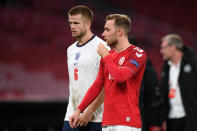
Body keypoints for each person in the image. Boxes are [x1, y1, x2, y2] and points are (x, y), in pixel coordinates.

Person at [69, 14, 147, 131]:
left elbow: (120, 77)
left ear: (119, 32)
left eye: (107, 29)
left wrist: (106, 56)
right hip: (107, 123)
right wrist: (79, 109)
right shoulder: (108, 56)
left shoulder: (137, 53)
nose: (103, 34)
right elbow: (97, 85)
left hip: (127, 123)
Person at [62, 5, 109, 131]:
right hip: (72, 116)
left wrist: (89, 111)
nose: (72, 26)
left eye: (76, 23)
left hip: (96, 118)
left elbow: (107, 85)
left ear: (88, 23)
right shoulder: (70, 50)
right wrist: (76, 111)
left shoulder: (103, 47)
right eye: (70, 23)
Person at [160, 34, 197, 131]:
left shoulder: (193, 64)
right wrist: (164, 119)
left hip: (190, 119)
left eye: (164, 48)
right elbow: (163, 95)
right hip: (172, 118)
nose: (161, 51)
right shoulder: (165, 68)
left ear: (173, 47)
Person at [129, 38, 162, 131]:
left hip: (141, 121)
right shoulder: (115, 66)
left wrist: (156, 123)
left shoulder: (148, 70)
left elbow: (154, 99)